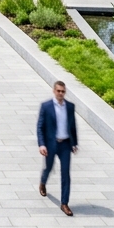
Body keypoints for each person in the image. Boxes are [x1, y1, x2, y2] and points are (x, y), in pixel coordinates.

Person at [37, 80, 78, 216]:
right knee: (48, 168)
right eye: (58, 91)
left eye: (63, 91)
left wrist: (74, 143)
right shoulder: (46, 106)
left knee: (65, 173)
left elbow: (72, 126)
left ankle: (64, 203)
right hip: (51, 144)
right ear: (54, 91)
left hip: (65, 144)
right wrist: (42, 144)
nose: (61, 93)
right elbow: (40, 127)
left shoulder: (70, 107)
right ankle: (43, 182)